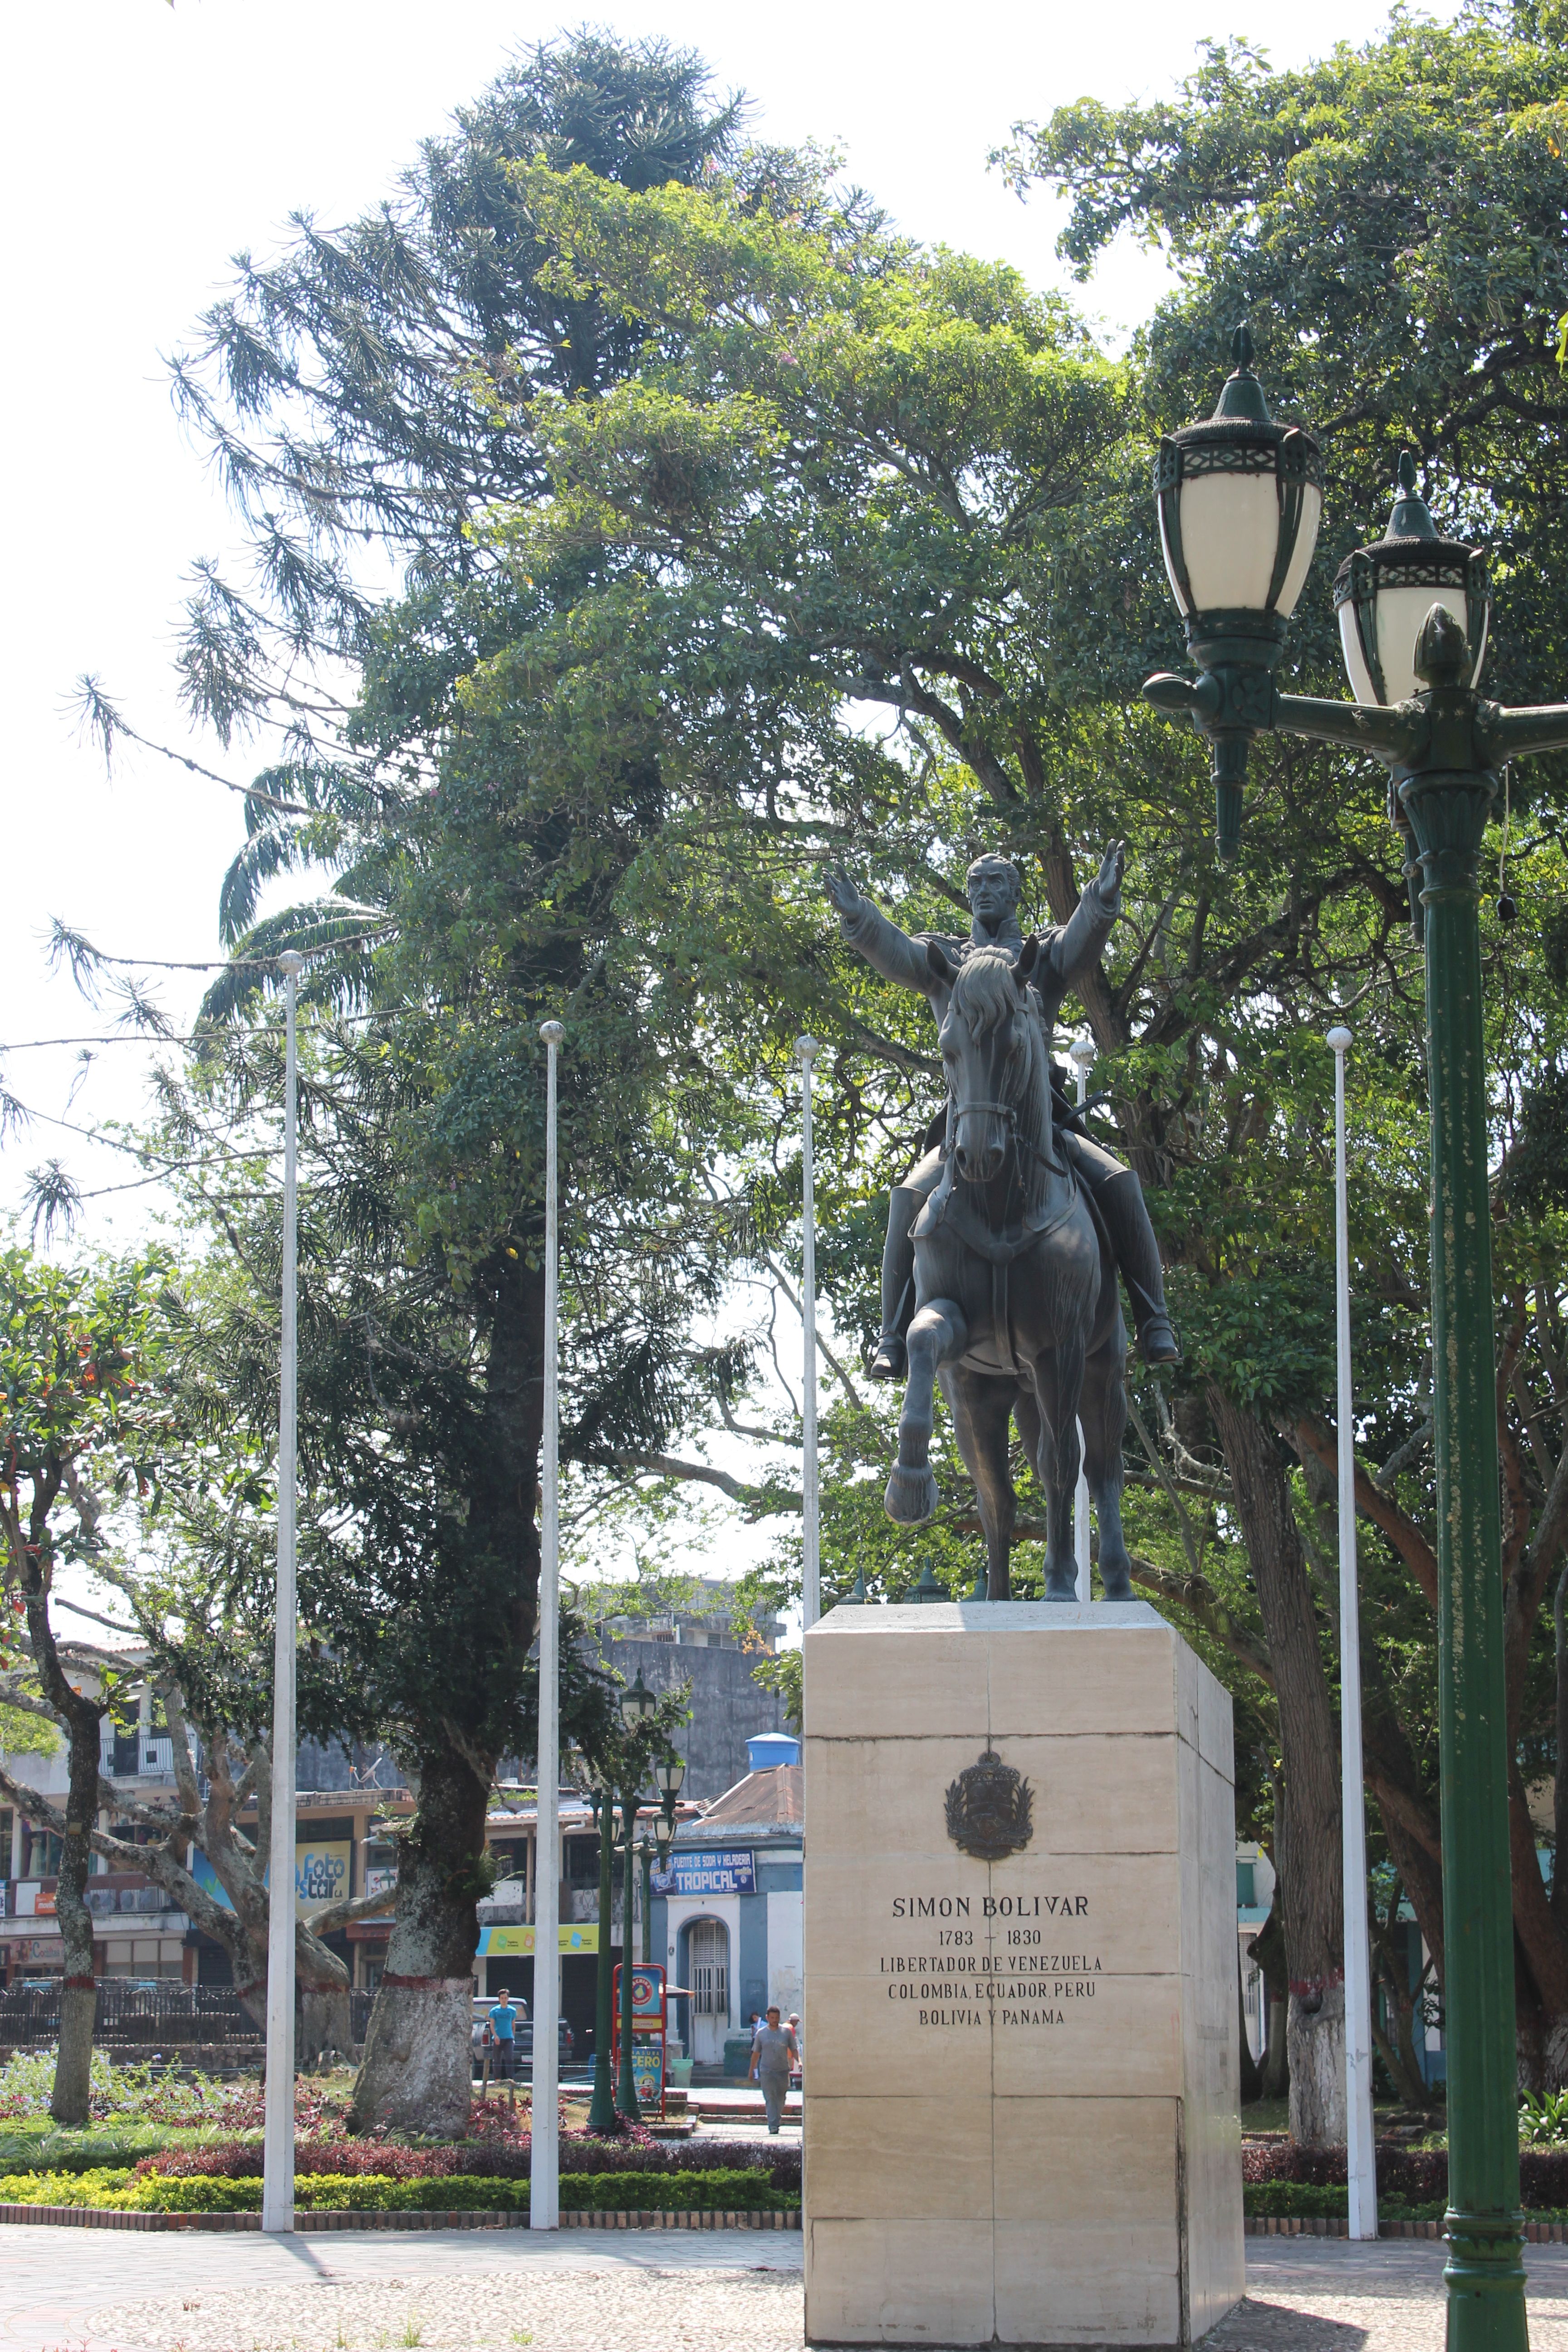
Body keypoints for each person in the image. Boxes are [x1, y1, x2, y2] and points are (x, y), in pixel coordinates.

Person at [824, 849, 1179, 1372]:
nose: (985, 890)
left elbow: (1081, 939)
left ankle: (1155, 1320)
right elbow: (895, 949)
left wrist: (1100, 902)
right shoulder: (945, 958)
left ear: (1015, 892)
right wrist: (860, 918)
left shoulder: (1038, 955)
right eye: (977, 883)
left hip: (1041, 1121)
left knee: (1121, 1180)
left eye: (997, 882)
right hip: (967, 1122)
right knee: (907, 1195)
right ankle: (892, 1336)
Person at [748, 2005, 799, 2134]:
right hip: (767, 2071)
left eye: (777, 2018)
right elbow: (756, 2054)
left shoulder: (786, 2033)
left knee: (781, 2098)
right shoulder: (761, 2034)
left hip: (783, 2071)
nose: (775, 2020)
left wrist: (800, 2061)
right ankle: (773, 2125)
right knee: (770, 2097)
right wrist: (751, 2070)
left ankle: (777, 2119)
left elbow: (794, 2049)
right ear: (767, 2018)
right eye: (772, 2018)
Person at [488, 1986, 519, 2083]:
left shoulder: (512, 2011)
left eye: (506, 1998)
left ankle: (511, 2079)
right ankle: (497, 2079)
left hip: (508, 2038)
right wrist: (496, 2036)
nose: (504, 2000)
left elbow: (513, 2025)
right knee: (497, 2060)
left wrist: (513, 2037)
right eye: (502, 1998)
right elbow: (492, 2025)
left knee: (509, 2058)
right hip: (498, 2038)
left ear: (508, 1999)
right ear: (499, 1999)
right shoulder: (494, 2011)